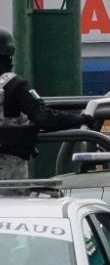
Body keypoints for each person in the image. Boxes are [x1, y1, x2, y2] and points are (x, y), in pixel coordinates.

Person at [0, 27, 91, 180]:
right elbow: (44, 117)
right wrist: (80, 119)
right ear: (9, 56)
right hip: (9, 173)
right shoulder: (15, 85)